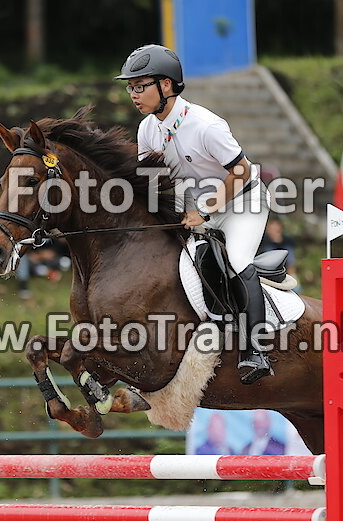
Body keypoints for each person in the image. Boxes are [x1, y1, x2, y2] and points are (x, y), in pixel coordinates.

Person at [116, 44, 273, 384]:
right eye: (130, 87)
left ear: (167, 86)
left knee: (236, 258)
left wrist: (204, 209)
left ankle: (256, 351)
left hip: (243, 202)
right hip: (195, 209)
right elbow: (155, 184)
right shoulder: (147, 129)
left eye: (140, 85)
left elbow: (242, 173)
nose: (133, 93)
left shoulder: (205, 125)